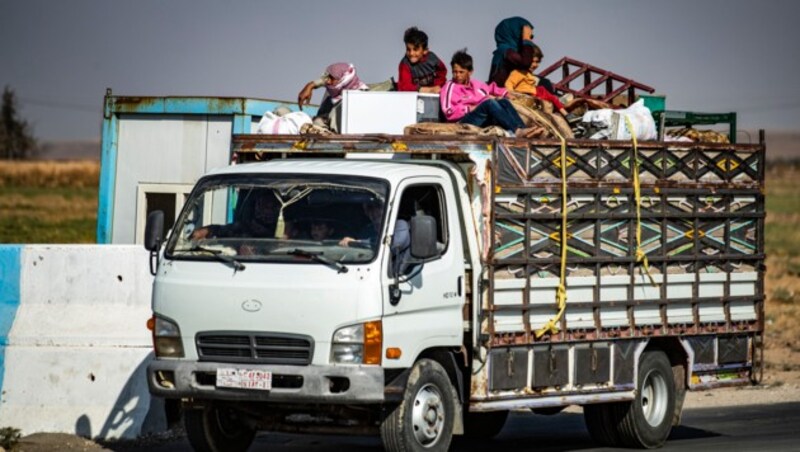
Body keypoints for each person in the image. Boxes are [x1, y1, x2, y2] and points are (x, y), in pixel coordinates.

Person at [440, 49, 541, 137]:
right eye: (455, 72)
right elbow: (449, 113)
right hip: (463, 121)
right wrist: (472, 108)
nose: (457, 75)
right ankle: (517, 131)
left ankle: (523, 129)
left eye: (461, 72)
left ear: (470, 72)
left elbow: (491, 88)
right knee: (489, 103)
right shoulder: (449, 88)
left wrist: (505, 93)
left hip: (481, 117)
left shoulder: (476, 84)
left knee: (504, 102)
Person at [296, 62, 369, 129]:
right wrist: (310, 85)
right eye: (328, 77)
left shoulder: (358, 100)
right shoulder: (333, 98)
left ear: (343, 79)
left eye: (332, 78)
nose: (328, 81)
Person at [504, 45, 569, 117]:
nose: (534, 65)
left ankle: (565, 111)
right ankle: (565, 110)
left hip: (534, 92)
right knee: (550, 96)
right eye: (532, 62)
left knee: (551, 97)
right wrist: (512, 94)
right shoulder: (518, 73)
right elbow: (509, 84)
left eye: (537, 62)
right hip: (528, 93)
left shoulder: (527, 73)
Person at [191, 190, 279, 240]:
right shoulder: (248, 226)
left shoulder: (283, 231)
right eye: (263, 205)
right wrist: (208, 230)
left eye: (271, 206)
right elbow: (227, 229)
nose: (267, 210)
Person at [396, 27, 447, 94]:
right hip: (413, 96)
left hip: (433, 94)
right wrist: (426, 90)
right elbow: (404, 86)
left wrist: (437, 86)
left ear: (425, 51)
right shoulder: (405, 64)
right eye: (408, 49)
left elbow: (442, 72)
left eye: (415, 49)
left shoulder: (432, 59)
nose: (411, 53)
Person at [488, 17, 535, 87]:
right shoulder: (505, 51)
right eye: (525, 34)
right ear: (516, 33)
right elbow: (526, 63)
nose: (531, 40)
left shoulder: (512, 51)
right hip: (499, 94)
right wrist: (526, 40)